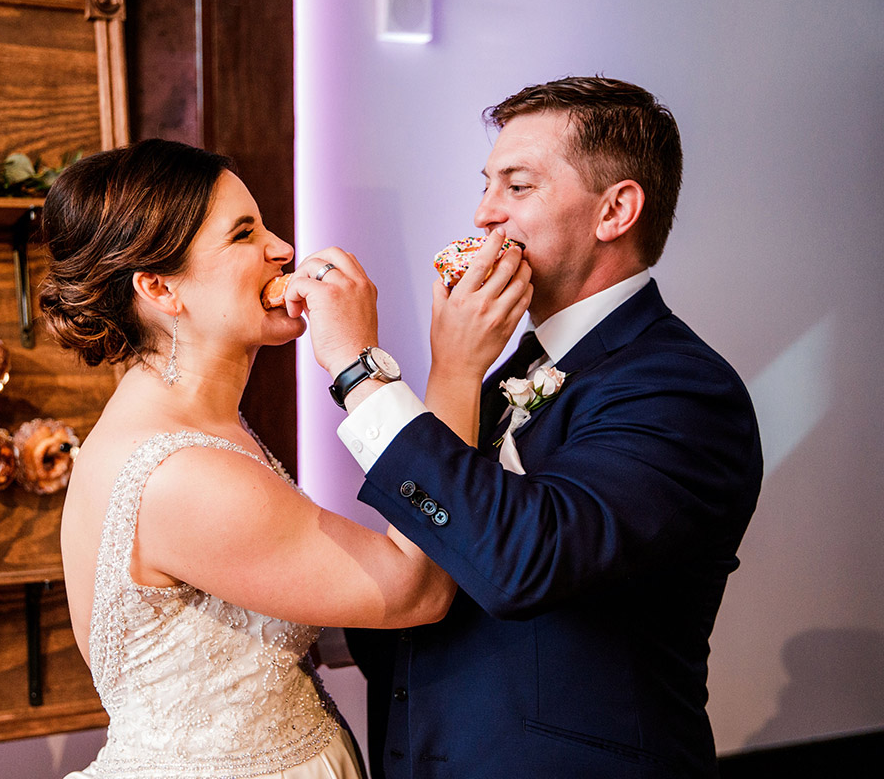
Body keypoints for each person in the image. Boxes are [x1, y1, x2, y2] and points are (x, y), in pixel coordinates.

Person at [289, 77, 764, 778]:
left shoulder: (683, 390)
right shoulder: (511, 369)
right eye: (487, 185)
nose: (484, 214)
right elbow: (449, 557)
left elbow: (524, 562)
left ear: (615, 211)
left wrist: (363, 375)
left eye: (517, 187)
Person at [38, 139, 529, 778]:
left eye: (265, 224)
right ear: (161, 287)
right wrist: (455, 366)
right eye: (244, 234)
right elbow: (417, 589)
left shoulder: (196, 420)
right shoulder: (180, 473)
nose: (283, 249)